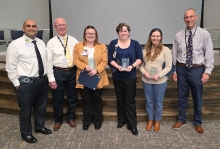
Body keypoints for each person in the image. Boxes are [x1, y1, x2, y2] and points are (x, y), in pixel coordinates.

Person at [6, 20, 52, 143]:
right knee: (26, 110)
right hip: (25, 83)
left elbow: (47, 63)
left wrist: (48, 78)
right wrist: (16, 84)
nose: (31, 28)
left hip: (41, 81)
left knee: (40, 107)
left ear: (37, 28)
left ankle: (39, 126)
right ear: (23, 28)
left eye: (34, 26)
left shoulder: (41, 43)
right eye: (28, 26)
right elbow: (10, 67)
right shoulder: (15, 44)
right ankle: (26, 133)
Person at [172, 8, 214, 134]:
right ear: (184, 19)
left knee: (197, 97)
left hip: (197, 69)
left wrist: (207, 71)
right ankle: (181, 119)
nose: (188, 19)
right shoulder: (178, 35)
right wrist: (174, 71)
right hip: (181, 68)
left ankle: (197, 121)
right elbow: (174, 53)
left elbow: (209, 53)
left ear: (196, 17)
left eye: (191, 16)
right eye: (186, 17)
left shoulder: (204, 34)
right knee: (182, 96)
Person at [108, 23, 143, 135]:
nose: (123, 33)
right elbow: (109, 58)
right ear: (118, 32)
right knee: (120, 99)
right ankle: (121, 120)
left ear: (129, 32)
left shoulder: (135, 44)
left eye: (125, 31)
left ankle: (132, 124)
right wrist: (117, 66)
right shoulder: (113, 43)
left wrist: (132, 66)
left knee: (130, 100)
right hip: (117, 76)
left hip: (130, 76)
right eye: (121, 31)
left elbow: (140, 58)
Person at [73, 25, 109, 130]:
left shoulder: (101, 46)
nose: (90, 35)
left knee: (97, 100)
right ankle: (87, 120)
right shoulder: (78, 46)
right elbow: (75, 60)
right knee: (86, 100)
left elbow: (104, 61)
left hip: (97, 77)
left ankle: (98, 120)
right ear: (85, 35)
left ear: (95, 35)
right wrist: (85, 66)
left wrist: (96, 70)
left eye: (92, 33)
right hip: (84, 77)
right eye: (88, 33)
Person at [47, 18, 78, 131]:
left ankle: (70, 118)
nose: (61, 27)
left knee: (72, 97)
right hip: (58, 72)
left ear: (66, 26)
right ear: (55, 28)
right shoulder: (51, 42)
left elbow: (79, 56)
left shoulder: (74, 40)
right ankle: (58, 120)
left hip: (72, 72)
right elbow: (48, 62)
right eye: (58, 25)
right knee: (58, 98)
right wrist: (51, 79)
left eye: (63, 24)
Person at [139, 28, 172, 132]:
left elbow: (169, 66)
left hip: (160, 81)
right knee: (149, 102)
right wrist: (145, 73)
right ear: (150, 37)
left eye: (157, 36)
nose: (155, 38)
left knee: (158, 102)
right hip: (147, 80)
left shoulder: (166, 50)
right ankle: (150, 120)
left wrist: (159, 75)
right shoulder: (144, 50)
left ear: (161, 37)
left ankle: (157, 121)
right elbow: (140, 66)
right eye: (153, 36)